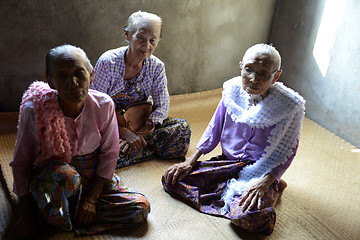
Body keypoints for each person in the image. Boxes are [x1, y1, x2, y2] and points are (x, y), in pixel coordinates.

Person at [163, 43, 305, 235]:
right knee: (171, 179)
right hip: (228, 163)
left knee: (251, 218)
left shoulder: (289, 106)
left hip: (261, 171)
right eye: (249, 70)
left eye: (263, 73)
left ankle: (275, 188)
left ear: (276, 77)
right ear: (241, 66)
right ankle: (228, 193)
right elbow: (214, 128)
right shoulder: (231, 91)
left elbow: (287, 151)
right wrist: (190, 161)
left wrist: (265, 182)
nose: (253, 79)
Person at [9, 44, 150, 238]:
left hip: (92, 176)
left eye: (79, 74)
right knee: (68, 178)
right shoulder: (36, 110)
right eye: (63, 76)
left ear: (91, 75)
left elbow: (109, 153)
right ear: (50, 81)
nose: (73, 83)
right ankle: (60, 211)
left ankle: (62, 217)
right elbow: (21, 162)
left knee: (140, 207)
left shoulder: (104, 105)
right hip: (55, 178)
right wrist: (23, 212)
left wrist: (91, 200)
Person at [91, 10, 191, 168]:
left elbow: (162, 105)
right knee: (91, 144)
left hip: (140, 124)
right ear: (127, 35)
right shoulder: (108, 62)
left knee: (182, 128)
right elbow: (95, 107)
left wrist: (137, 134)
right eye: (140, 38)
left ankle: (131, 148)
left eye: (153, 40)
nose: (147, 45)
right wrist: (123, 132)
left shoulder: (156, 67)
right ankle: (137, 149)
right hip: (109, 125)